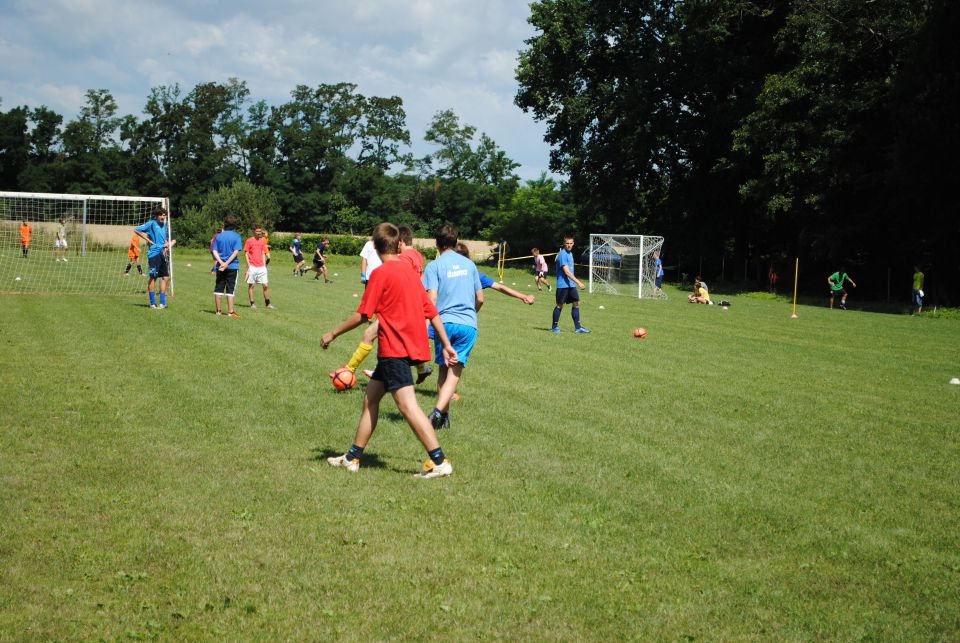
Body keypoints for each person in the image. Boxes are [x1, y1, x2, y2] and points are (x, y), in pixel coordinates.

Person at [321, 222, 457, 479]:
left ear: (374, 245)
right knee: (370, 399)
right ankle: (352, 457)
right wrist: (447, 344)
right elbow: (431, 311)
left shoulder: (381, 274)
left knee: (408, 406)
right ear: (397, 244)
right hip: (399, 349)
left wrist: (333, 333)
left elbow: (363, 315)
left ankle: (439, 460)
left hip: (395, 348)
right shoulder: (409, 272)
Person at [352, 228, 434, 385]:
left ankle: (349, 369)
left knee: (371, 334)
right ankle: (421, 368)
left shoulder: (402, 259)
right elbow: (419, 279)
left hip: (397, 308)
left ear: (400, 242)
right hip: (413, 307)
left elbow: (397, 278)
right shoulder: (417, 255)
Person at [423, 225, 483, 430]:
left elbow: (431, 299)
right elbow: (480, 299)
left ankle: (438, 412)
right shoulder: (470, 265)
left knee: (443, 368)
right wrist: (470, 315)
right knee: (455, 371)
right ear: (457, 242)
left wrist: (426, 322)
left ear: (436, 243)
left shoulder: (434, 266)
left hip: (444, 323)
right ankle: (444, 416)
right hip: (468, 324)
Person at [459, 243, 534, 304]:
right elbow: (499, 287)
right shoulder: (476, 275)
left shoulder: (475, 275)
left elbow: (500, 287)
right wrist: (523, 296)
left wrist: (523, 296)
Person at [134, 207, 176, 309]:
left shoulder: (165, 226)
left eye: (164, 215)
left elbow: (168, 239)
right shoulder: (152, 223)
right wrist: (149, 240)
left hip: (162, 254)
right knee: (153, 277)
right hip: (154, 254)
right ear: (157, 216)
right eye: (161, 215)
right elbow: (136, 230)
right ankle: (153, 303)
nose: (163, 217)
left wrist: (167, 244)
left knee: (166, 277)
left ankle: (162, 303)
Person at [551, 235, 590, 333]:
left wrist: (574, 282)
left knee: (576, 303)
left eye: (571, 243)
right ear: (564, 244)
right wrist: (579, 282)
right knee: (560, 305)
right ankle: (554, 327)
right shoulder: (563, 254)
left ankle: (578, 328)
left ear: (573, 243)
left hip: (570, 285)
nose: (569, 245)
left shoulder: (570, 253)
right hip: (563, 285)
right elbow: (567, 272)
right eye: (567, 243)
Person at [211, 215, 242, 317]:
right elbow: (236, 252)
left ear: (224, 224)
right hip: (232, 266)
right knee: (230, 289)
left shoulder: (219, 236)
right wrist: (227, 263)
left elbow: (214, 250)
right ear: (234, 225)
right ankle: (230, 312)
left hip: (220, 266)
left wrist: (221, 262)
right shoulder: (237, 236)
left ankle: (218, 311)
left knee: (218, 288)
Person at [245, 224, 273, 309]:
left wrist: (264, 266)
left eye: (260, 231)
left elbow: (263, 253)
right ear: (254, 232)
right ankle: (252, 303)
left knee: (265, 286)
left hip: (261, 267)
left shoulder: (262, 241)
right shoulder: (249, 241)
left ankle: (267, 304)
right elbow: (246, 253)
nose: (259, 233)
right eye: (257, 231)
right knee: (252, 286)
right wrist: (249, 265)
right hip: (252, 266)